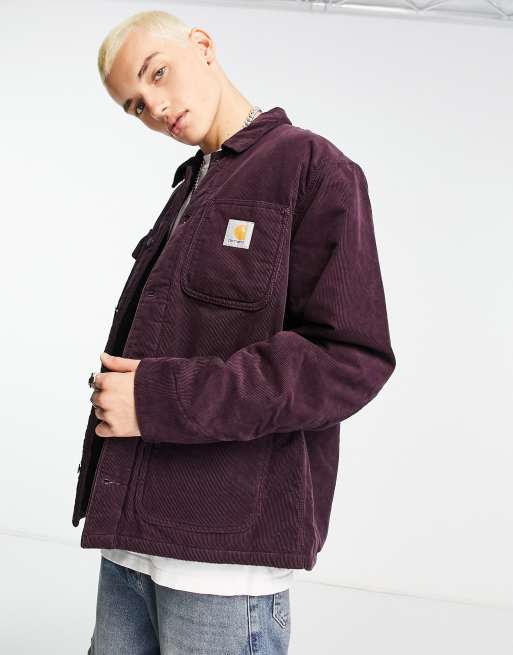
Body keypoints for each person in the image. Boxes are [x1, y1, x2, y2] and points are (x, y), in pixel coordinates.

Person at [78, 9, 396, 655]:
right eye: (135, 105)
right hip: (132, 541)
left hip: (221, 564)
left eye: (157, 74)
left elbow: (348, 358)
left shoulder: (310, 166)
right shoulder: (193, 183)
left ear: (202, 45)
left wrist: (157, 399)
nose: (155, 107)